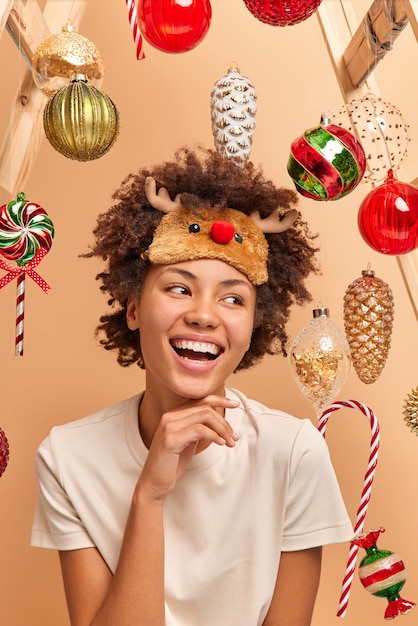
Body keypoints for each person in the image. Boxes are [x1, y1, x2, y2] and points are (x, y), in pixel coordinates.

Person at [31, 147, 353, 626]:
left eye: (232, 298)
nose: (204, 314)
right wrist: (150, 495)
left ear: (255, 326)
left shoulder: (293, 453)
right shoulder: (67, 458)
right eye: (179, 288)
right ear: (134, 309)